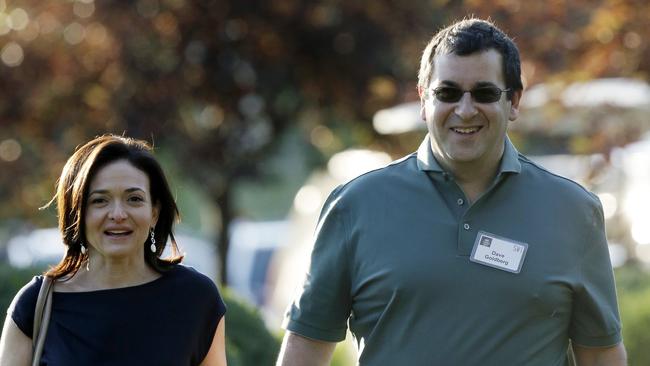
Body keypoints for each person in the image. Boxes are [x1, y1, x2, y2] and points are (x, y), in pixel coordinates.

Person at [277, 18, 626, 365]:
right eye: (448, 92)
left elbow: (600, 354)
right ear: (423, 100)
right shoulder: (354, 206)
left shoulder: (573, 210)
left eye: (485, 93)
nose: (465, 109)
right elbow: (306, 347)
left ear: (514, 101)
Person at [0, 135, 227, 366]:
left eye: (134, 199)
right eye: (100, 201)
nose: (118, 214)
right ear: (77, 212)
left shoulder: (196, 298)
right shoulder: (34, 305)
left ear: (154, 213)